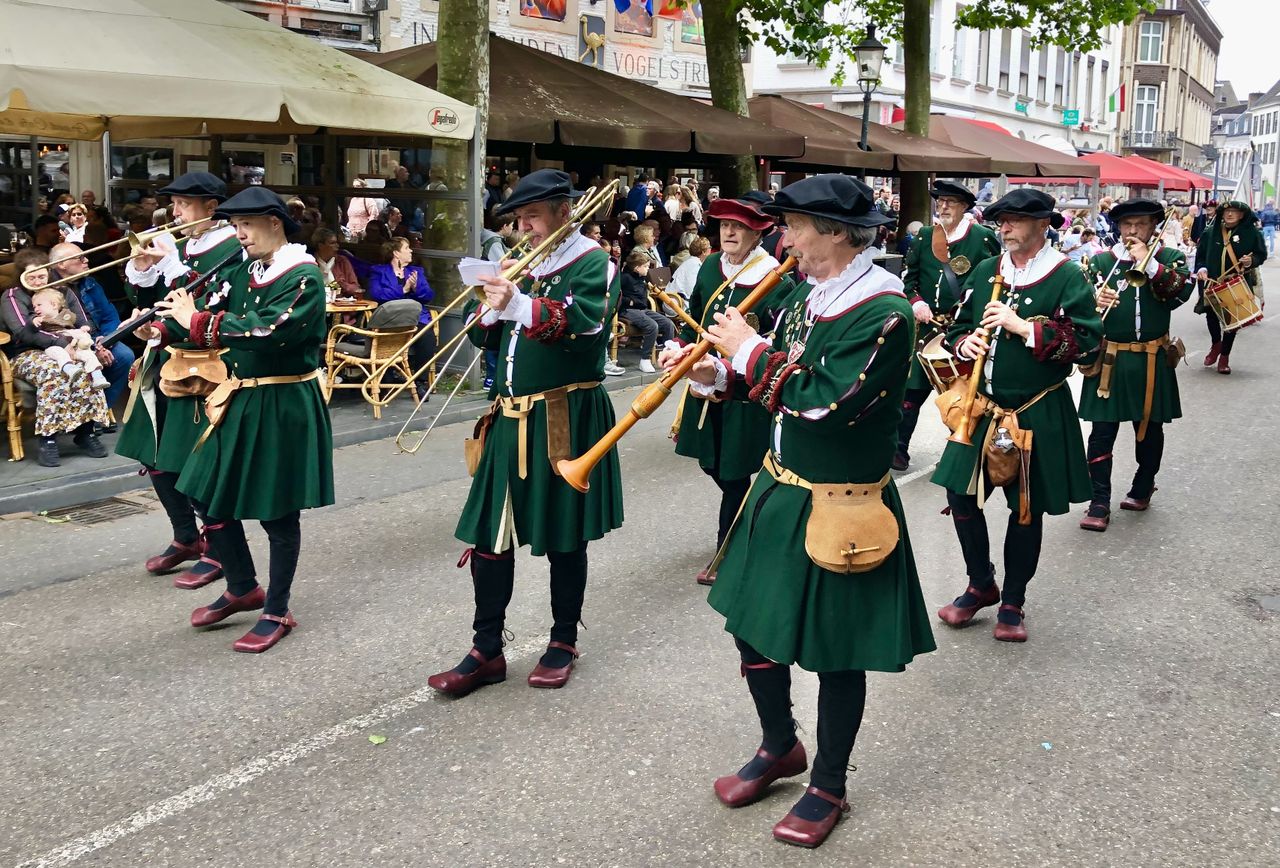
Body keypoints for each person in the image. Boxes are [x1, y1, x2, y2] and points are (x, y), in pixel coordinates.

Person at [665, 174, 934, 849]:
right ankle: (781, 744)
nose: (784, 238)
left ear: (838, 233)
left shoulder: (885, 313)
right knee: (751, 626)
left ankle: (829, 786)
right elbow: (778, 385)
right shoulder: (810, 297)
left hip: (846, 503)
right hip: (782, 487)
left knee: (837, 654)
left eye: (795, 227)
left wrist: (748, 352)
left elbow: (827, 403)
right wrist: (715, 377)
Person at [427, 169, 623, 696]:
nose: (525, 228)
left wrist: (516, 301)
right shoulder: (527, 265)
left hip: (566, 414)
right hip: (509, 415)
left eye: (532, 217)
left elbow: (583, 327)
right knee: (490, 535)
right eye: (519, 219)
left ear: (564, 211)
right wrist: (489, 305)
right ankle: (485, 649)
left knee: (565, 534)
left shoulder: (593, 261)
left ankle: (562, 640)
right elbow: (483, 340)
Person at [148, 186, 333, 653]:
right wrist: (163, 322)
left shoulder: (305, 275)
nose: (240, 235)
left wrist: (198, 324)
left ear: (275, 222)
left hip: (284, 401)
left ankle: (277, 608)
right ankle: (241, 585)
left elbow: (270, 330)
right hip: (241, 395)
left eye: (246, 226)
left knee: (277, 510)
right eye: (235, 226)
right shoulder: (252, 268)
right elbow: (220, 311)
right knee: (204, 491)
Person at [933, 189, 1102, 642]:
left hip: (1037, 408)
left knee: (1025, 509)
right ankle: (980, 583)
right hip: (981, 408)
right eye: (1000, 219)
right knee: (961, 494)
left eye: (1012, 220)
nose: (1003, 227)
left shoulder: (1067, 276)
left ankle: (1013, 601)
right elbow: (958, 325)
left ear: (1043, 224)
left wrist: (1024, 327)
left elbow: (1087, 344)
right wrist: (962, 343)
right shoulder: (989, 270)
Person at [115, 172, 244, 590]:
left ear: (211, 207)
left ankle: (216, 548)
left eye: (183, 205)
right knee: (153, 455)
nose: (175, 213)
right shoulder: (183, 245)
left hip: (202, 365)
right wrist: (143, 271)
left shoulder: (230, 247)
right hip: (165, 358)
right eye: (174, 204)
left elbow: (211, 305)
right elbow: (153, 303)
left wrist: (171, 268)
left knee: (194, 461)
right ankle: (185, 536)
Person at [668, 197, 794, 584]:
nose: (729, 232)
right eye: (724, 225)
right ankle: (752, 520)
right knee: (711, 462)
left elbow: (778, 342)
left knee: (736, 473)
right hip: (705, 383)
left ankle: (727, 552)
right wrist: (679, 347)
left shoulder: (778, 279)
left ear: (757, 233)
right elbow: (695, 316)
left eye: (738, 226)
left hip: (744, 389)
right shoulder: (709, 266)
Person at [1077, 199, 1192, 532]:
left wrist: (1150, 264)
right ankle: (1099, 500)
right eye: (1126, 225)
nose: (1131, 231)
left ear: (1153, 227)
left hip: (1153, 358)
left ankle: (1143, 485)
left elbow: (1181, 293)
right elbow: (1078, 311)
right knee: (1101, 433)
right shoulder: (1100, 262)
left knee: (1150, 428)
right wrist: (1093, 299)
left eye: (1139, 225)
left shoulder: (1170, 258)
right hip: (1110, 359)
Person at [894, 181, 1000, 471]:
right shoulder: (926, 236)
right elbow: (908, 278)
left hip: (962, 330)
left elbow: (993, 278)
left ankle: (959, 451)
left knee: (961, 392)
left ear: (964, 206)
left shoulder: (982, 238)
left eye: (950, 202)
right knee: (911, 391)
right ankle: (899, 448)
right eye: (940, 202)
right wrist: (915, 301)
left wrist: (971, 307)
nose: (943, 207)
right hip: (926, 328)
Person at [0, 249, 110, 466]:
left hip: (69, 345)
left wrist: (83, 338)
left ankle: (86, 432)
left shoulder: (63, 291)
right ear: (21, 276)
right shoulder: (13, 296)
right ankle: (48, 439)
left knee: (86, 368)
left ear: (49, 273)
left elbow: (82, 319)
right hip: (25, 353)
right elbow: (23, 332)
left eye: (41, 275)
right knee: (53, 372)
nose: (37, 281)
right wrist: (61, 342)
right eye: (31, 277)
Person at [47, 242, 135, 411]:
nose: (86, 260)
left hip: (98, 337)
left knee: (124, 356)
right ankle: (79, 414)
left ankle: (99, 412)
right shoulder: (48, 287)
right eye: (80, 258)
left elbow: (110, 316)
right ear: (61, 264)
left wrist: (105, 341)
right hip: (70, 341)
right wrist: (94, 348)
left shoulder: (90, 282)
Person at [1195, 199, 1267, 374]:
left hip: (1236, 281)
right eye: (1227, 211)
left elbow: (1261, 254)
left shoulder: (1252, 233)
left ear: (1241, 215)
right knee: (1211, 314)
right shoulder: (1210, 232)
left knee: (1232, 320)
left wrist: (1252, 261)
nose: (1229, 214)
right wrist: (1202, 268)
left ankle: (1224, 357)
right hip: (1212, 281)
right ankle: (1216, 344)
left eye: (1234, 211)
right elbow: (1200, 255)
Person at [367, 236, 436, 398]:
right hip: (389, 320)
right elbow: (377, 294)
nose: (411, 250)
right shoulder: (379, 271)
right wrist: (404, 289)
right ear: (396, 253)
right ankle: (387, 377)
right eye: (407, 248)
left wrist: (416, 287)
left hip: (415, 319)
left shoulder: (416, 272)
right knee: (385, 338)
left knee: (427, 336)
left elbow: (428, 295)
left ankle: (420, 382)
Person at [27, 285, 108, 389]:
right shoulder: (40, 320)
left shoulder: (66, 315)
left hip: (73, 344)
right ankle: (70, 369)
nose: (36, 309)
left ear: (54, 305)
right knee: (57, 352)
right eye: (34, 307)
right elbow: (31, 327)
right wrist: (33, 321)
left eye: (39, 305)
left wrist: (84, 327)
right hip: (55, 345)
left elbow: (79, 322)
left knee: (88, 354)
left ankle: (98, 377)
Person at [618, 249, 674, 373]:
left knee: (668, 324)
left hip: (642, 309)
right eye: (646, 266)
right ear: (637, 268)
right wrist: (630, 302)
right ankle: (645, 359)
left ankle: (668, 355)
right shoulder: (625, 278)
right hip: (628, 310)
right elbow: (617, 294)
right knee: (652, 326)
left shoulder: (642, 278)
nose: (648, 269)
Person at [311, 228, 362, 299]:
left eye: (337, 242)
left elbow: (356, 288)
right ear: (320, 245)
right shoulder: (310, 262)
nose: (337, 246)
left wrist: (342, 284)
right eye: (332, 243)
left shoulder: (342, 261)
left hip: (340, 305)